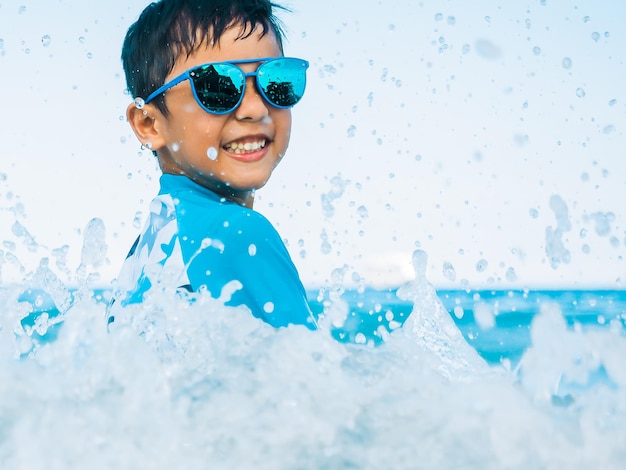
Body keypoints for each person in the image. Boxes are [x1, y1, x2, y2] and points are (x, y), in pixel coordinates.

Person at [107, 0, 317, 330]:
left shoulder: (150, 247)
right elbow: (318, 374)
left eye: (277, 80)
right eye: (217, 86)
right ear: (149, 124)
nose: (255, 108)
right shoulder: (239, 233)